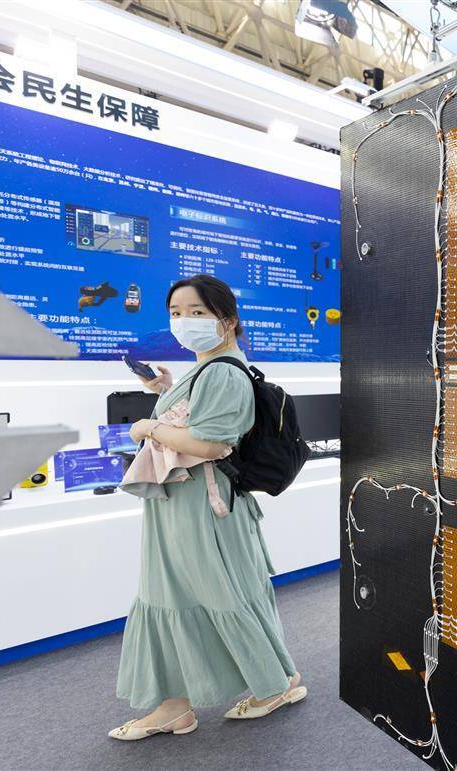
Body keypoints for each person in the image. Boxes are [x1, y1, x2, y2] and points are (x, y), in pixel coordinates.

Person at [109, 274, 306, 741]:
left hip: (199, 507)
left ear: (228, 320)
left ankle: (176, 707)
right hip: (196, 504)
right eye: (176, 312)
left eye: (197, 312)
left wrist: (146, 428)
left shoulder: (220, 371)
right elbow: (200, 423)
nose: (184, 321)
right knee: (224, 593)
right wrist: (165, 391)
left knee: (176, 596)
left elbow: (212, 443)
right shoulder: (212, 369)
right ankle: (274, 683)